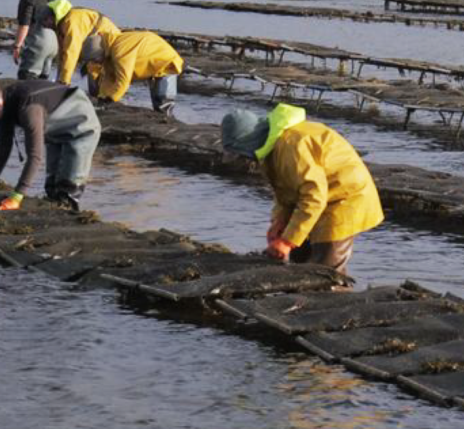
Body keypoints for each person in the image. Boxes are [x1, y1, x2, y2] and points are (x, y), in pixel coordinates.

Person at [220, 102, 383, 273]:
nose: (243, 160)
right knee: (299, 262)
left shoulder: (291, 145)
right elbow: (286, 190)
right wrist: (280, 220)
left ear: (249, 141)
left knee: (324, 270)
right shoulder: (272, 146)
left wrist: (286, 241)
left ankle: (336, 295)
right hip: (322, 199)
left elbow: (313, 197)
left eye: (240, 154)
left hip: (344, 199)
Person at [0, 77, 101, 211]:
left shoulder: (29, 109)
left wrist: (17, 196)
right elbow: (3, 146)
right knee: (52, 187)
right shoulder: (5, 104)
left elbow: (35, 157)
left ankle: (68, 220)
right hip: (56, 130)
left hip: (82, 126)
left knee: (67, 190)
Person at [80, 28, 183, 116]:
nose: (95, 63)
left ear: (100, 53)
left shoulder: (120, 50)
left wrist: (110, 99)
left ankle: (168, 128)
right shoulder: (109, 50)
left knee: (163, 104)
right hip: (151, 65)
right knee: (157, 105)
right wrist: (102, 97)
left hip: (166, 63)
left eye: (95, 60)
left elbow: (123, 80)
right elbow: (110, 78)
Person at [48, 0, 121, 84]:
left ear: (53, 16)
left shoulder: (71, 21)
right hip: (100, 41)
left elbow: (71, 51)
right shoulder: (61, 24)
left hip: (110, 42)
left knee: (87, 49)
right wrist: (58, 78)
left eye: (46, 21)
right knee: (94, 90)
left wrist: (64, 81)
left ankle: (98, 75)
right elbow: (62, 52)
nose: (45, 25)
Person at [10, 0, 59, 79]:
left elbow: (24, 24)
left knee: (26, 76)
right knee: (43, 80)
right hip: (53, 44)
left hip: (39, 42)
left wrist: (17, 46)